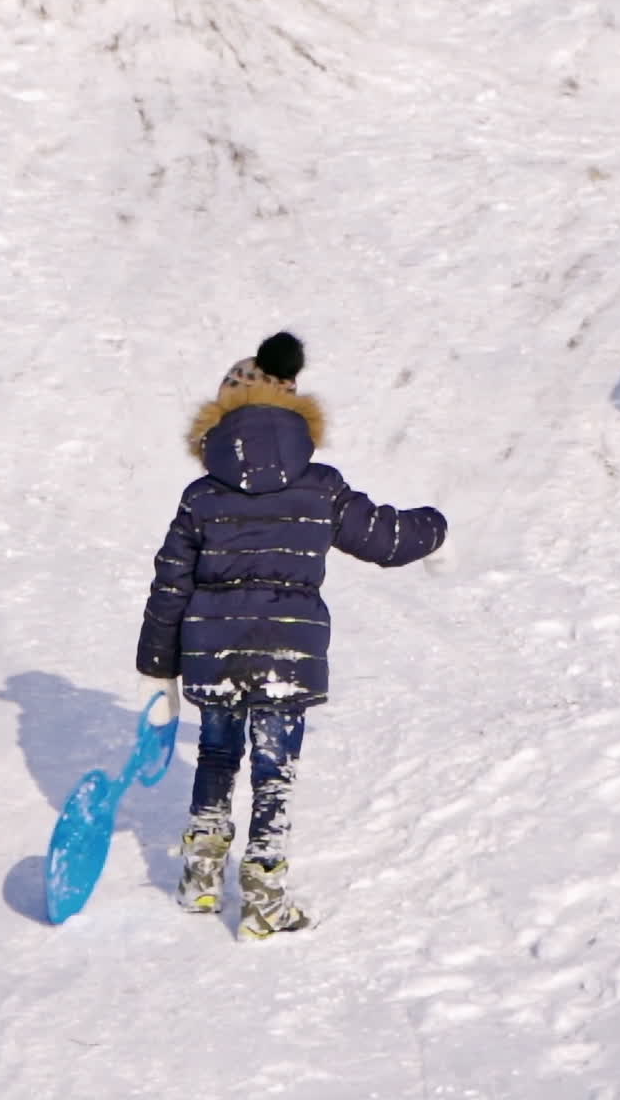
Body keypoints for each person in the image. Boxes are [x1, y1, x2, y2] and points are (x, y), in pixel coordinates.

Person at [135, 331, 447, 938]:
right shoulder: (320, 485)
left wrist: (158, 667)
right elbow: (383, 538)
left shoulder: (202, 494)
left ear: (221, 413)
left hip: (213, 653)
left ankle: (202, 878)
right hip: (288, 653)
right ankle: (264, 893)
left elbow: (170, 581)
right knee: (273, 769)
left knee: (218, 753)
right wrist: (437, 527)